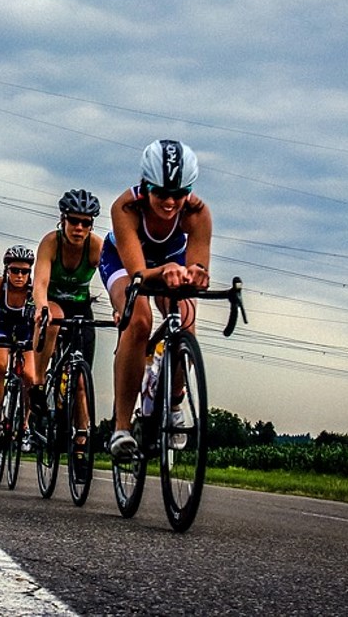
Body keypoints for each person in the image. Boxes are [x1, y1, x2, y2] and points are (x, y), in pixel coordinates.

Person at [98, 139, 211, 461]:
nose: (171, 202)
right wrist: (167, 270)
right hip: (124, 262)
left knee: (186, 321)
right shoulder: (127, 207)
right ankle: (121, 427)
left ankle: (173, 398)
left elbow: (198, 266)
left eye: (180, 194)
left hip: (170, 261)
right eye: (162, 193)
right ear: (145, 185)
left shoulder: (198, 213)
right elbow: (138, 275)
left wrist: (198, 275)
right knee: (138, 321)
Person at [32, 189, 102, 451]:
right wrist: (41, 307)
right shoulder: (51, 243)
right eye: (74, 221)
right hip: (53, 304)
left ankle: (82, 437)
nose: (79, 228)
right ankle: (39, 382)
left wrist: (121, 307)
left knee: (81, 381)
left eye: (86, 223)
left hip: (81, 308)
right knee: (55, 318)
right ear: (63, 220)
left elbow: (113, 278)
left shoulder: (96, 246)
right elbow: (39, 283)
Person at [0, 245, 38, 450]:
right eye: (15, 270)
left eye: (25, 271)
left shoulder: (34, 289)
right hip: (1, 327)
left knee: (30, 375)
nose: (20, 276)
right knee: (0, 366)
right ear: (6, 270)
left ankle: (25, 424)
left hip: (25, 330)